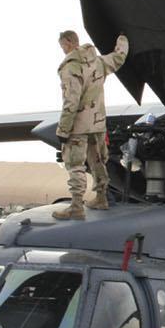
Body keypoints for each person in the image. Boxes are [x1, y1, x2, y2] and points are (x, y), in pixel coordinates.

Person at [53, 29, 130, 220]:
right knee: (97, 161)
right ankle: (101, 198)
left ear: (67, 43)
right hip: (97, 123)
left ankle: (76, 207)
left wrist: (63, 129)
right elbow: (119, 57)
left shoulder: (71, 67)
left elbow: (71, 100)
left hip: (78, 125)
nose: (62, 49)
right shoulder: (98, 61)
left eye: (62, 45)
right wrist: (122, 37)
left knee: (75, 164)